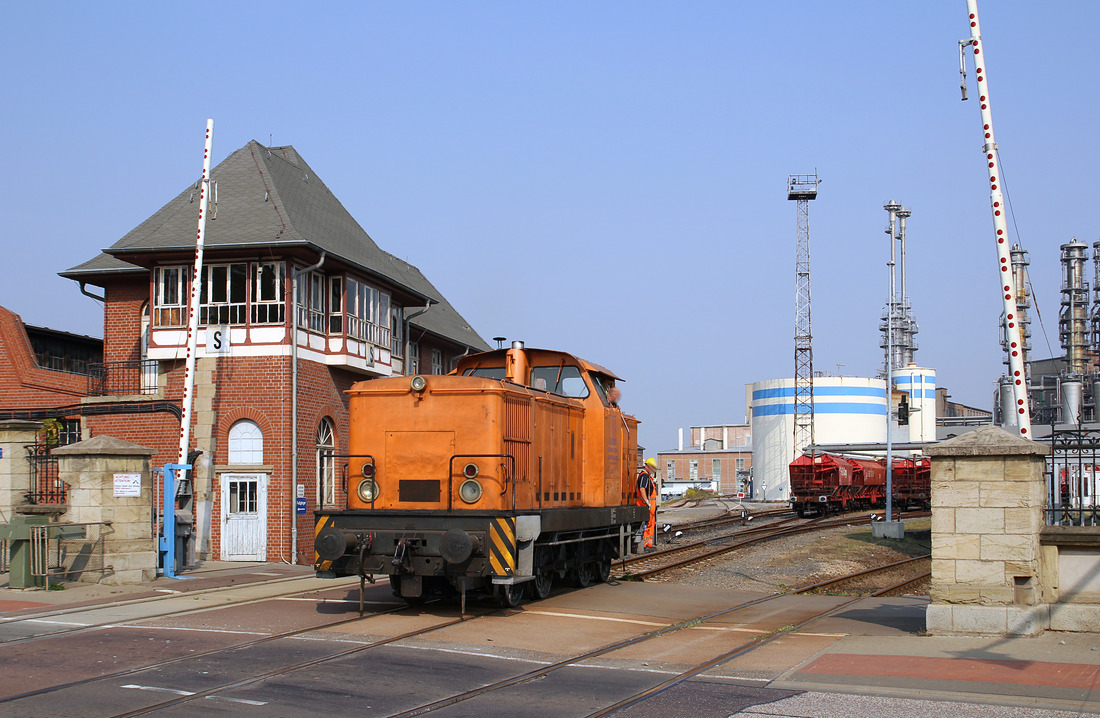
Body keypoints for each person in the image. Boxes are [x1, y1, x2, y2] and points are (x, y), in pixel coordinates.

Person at [636, 458, 659, 549]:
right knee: (647, 524)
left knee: (650, 524)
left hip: (650, 506)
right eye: (652, 468)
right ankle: (645, 544)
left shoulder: (648, 477)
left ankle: (648, 544)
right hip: (645, 505)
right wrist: (646, 501)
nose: (653, 470)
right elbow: (642, 489)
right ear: (647, 466)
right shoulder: (644, 476)